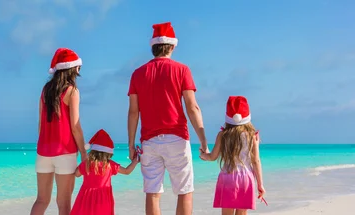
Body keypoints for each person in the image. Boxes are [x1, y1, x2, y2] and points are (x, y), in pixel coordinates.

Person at [126, 22, 208, 215]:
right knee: (184, 192)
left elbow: (133, 112)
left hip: (149, 141)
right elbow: (192, 106)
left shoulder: (137, 74)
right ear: (172, 46)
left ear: (153, 47)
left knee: (152, 193)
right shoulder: (182, 70)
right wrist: (203, 140)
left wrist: (131, 144)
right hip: (177, 138)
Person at [31, 48, 89, 215]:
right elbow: (75, 126)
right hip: (65, 152)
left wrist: (42, 144)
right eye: (79, 67)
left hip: (43, 152)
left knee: (42, 200)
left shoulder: (45, 90)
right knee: (63, 202)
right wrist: (84, 153)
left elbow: (40, 124)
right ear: (73, 68)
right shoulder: (72, 91)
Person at [200, 96, 266, 215]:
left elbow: (212, 157)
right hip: (246, 178)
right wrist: (260, 184)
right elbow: (256, 161)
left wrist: (203, 155)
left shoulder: (222, 135)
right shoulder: (252, 136)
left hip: (227, 178)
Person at [70, 129, 139, 215]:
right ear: (108, 153)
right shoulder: (109, 164)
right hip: (103, 199)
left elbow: (76, 174)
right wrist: (135, 160)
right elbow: (127, 171)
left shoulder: (87, 164)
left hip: (86, 198)